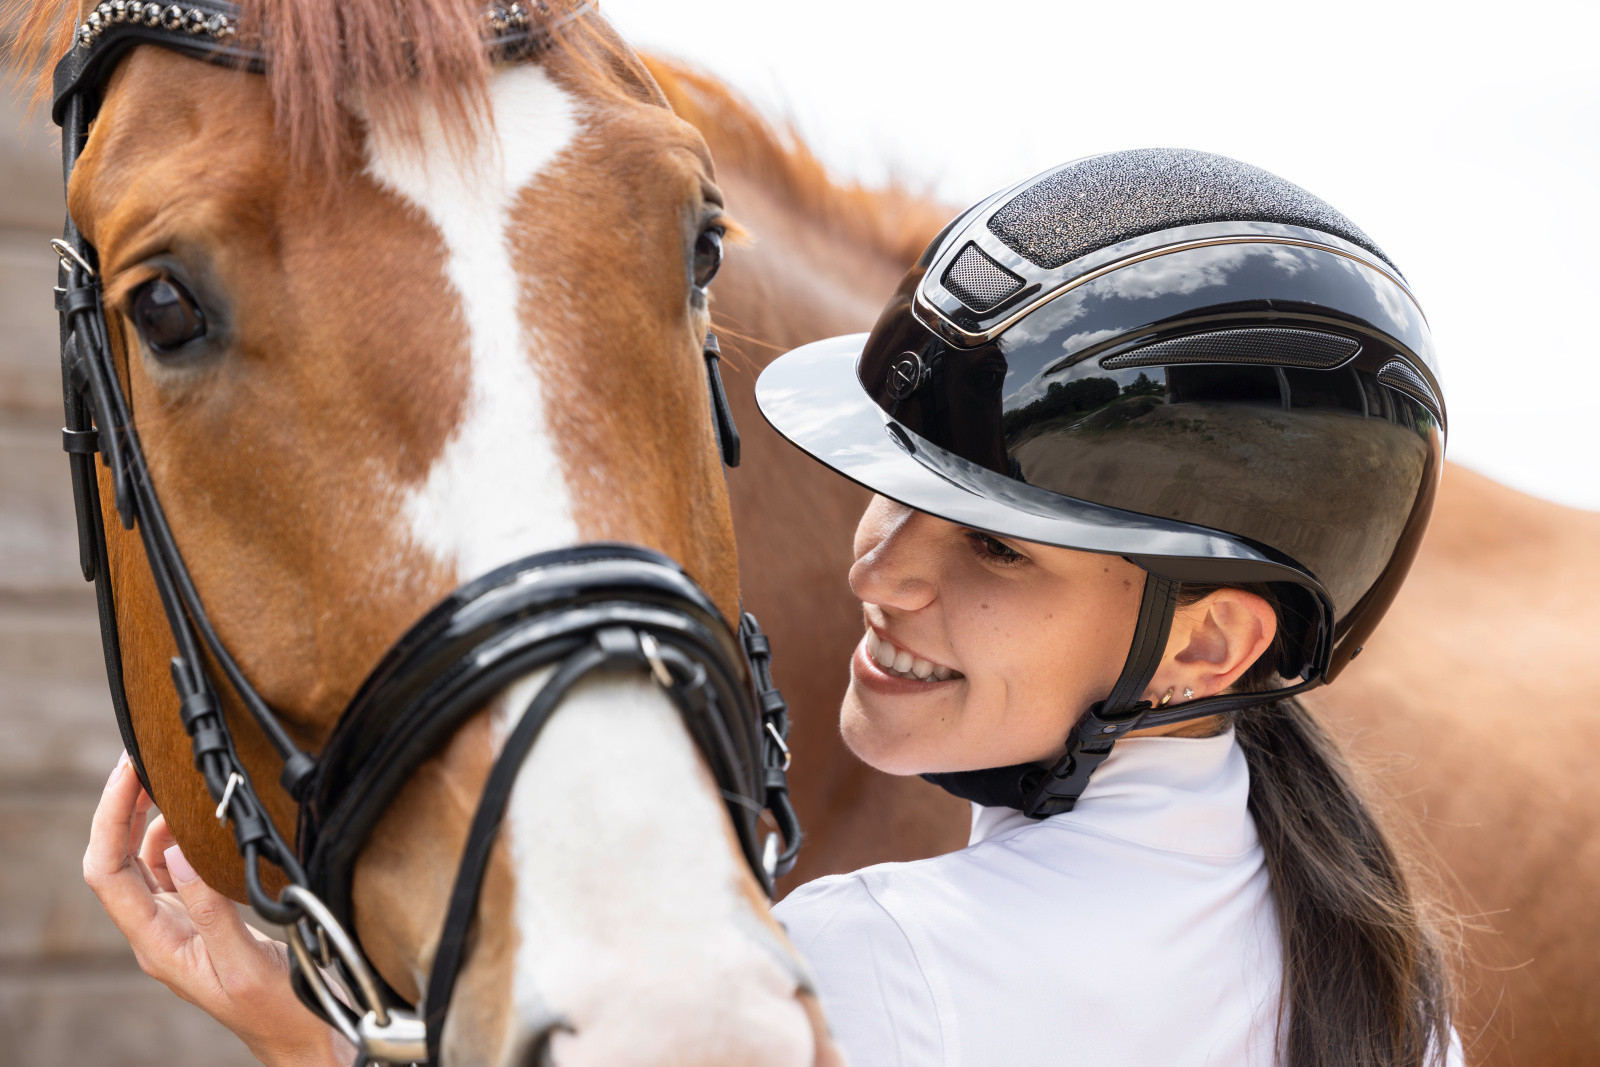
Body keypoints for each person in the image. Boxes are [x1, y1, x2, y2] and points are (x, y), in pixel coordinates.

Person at [85, 148, 1463, 1066]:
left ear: (1212, 641)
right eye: (893, 493)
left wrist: (300, 1035)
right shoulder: (1385, 979)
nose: (880, 571)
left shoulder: (860, 975)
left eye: (996, 555)